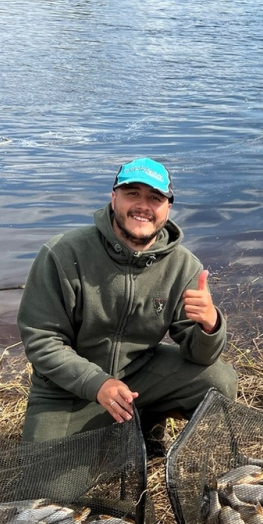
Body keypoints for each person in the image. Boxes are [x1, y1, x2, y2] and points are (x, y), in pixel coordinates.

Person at [18, 157, 237, 449]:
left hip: (137, 376)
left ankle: (148, 417)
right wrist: (98, 384)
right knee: (49, 486)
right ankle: (110, 425)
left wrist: (210, 326)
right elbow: (42, 340)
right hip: (67, 389)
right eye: (132, 193)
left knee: (219, 382)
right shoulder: (62, 252)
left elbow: (199, 355)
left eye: (154, 198)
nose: (143, 206)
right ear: (113, 198)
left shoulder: (184, 267)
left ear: (168, 208)